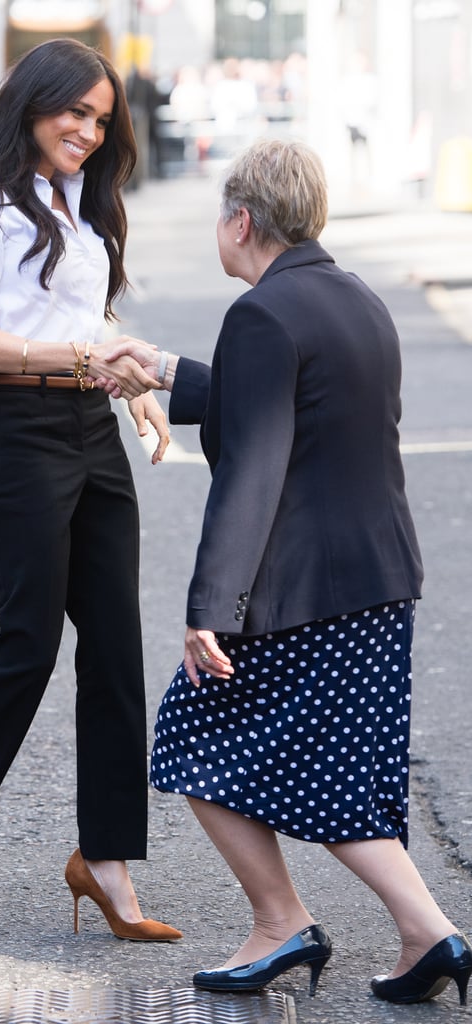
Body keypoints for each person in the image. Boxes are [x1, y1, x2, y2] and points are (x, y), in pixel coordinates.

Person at [104, 138, 471, 1004]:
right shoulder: (354, 298)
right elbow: (282, 401)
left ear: (239, 218)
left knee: (192, 742)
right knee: (341, 770)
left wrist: (209, 606)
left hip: (304, 590)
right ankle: (428, 936)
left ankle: (286, 926)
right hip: (379, 580)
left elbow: (256, 462)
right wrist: (159, 369)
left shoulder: (262, 315)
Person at [0, 37, 182, 944]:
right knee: (26, 642)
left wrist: (126, 380)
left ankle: (104, 857)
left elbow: (78, 315)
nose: (90, 133)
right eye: (77, 113)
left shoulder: (78, 199)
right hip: (7, 430)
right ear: (32, 101)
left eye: (102, 120)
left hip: (85, 426)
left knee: (113, 645)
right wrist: (80, 356)